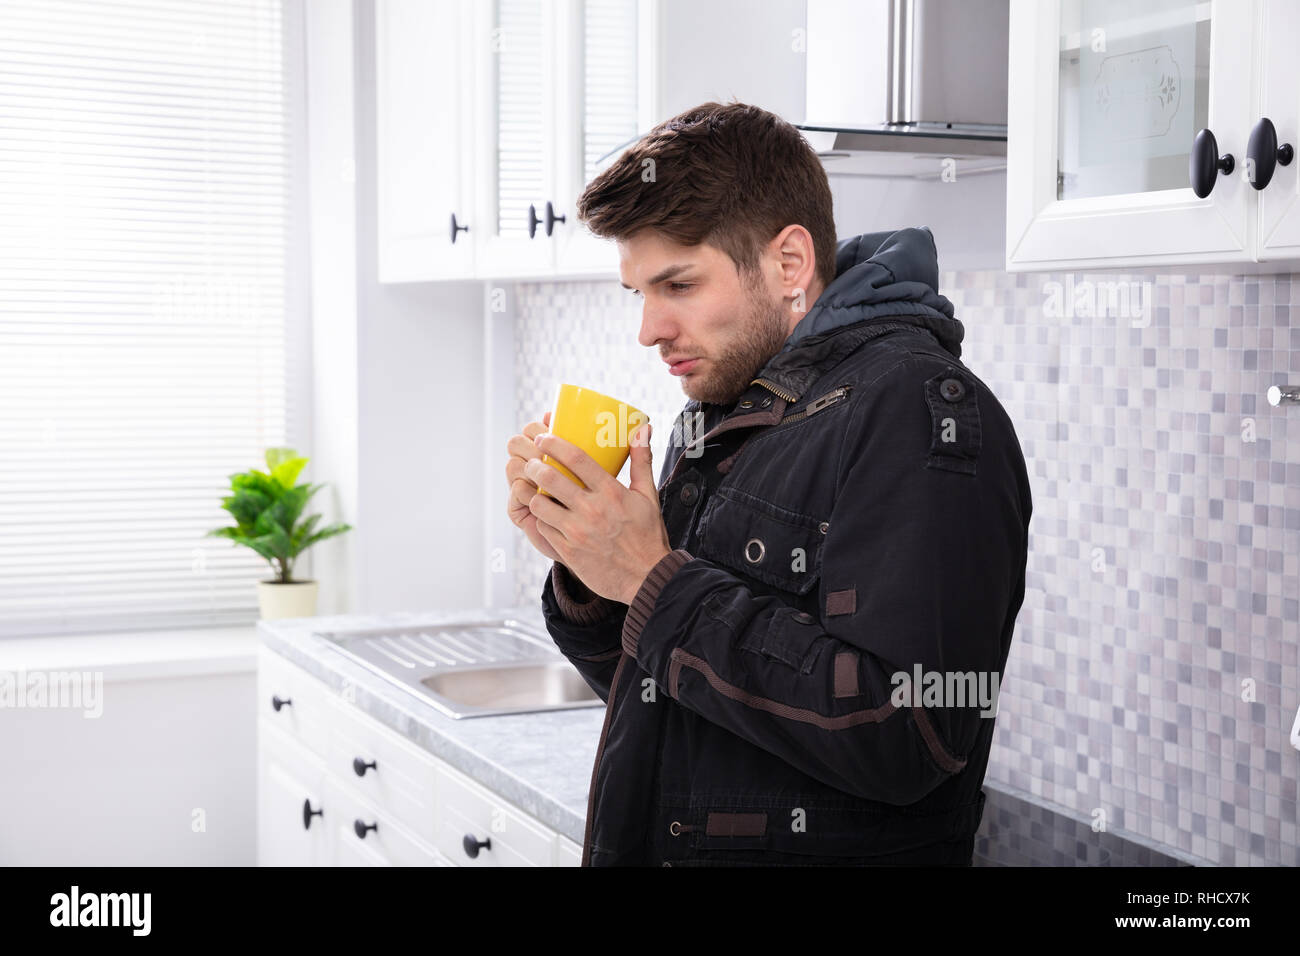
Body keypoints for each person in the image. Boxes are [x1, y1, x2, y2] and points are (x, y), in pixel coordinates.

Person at [504, 100, 1032, 866]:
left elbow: (909, 734)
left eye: (677, 285)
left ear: (789, 264)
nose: (648, 329)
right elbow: (663, 693)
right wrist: (590, 567)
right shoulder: (733, 405)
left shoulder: (919, 412)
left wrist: (652, 577)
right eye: (640, 295)